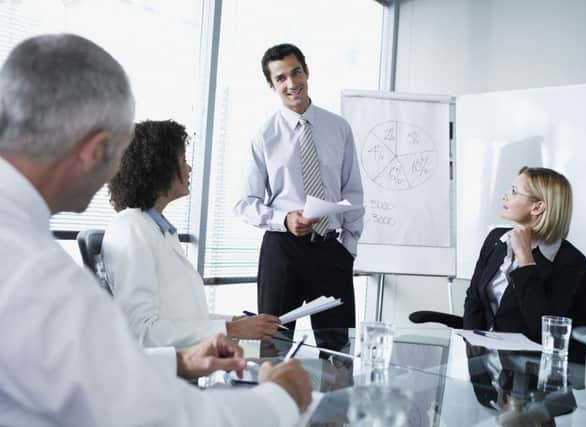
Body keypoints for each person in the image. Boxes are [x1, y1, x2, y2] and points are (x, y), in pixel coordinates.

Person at [0, 33, 311, 426]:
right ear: (94, 149)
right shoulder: (35, 275)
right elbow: (153, 414)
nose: (116, 169)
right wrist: (281, 398)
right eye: (117, 150)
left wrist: (179, 361)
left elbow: (94, 370)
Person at [102, 119, 280, 348]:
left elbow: (183, 319)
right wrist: (231, 330)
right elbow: (141, 332)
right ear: (160, 167)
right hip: (163, 376)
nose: (189, 168)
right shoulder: (130, 229)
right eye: (183, 160)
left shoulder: (155, 228)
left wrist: (235, 322)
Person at [233, 43, 364, 340]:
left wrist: (349, 248)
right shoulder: (264, 135)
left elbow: (353, 192)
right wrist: (284, 219)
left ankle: (335, 387)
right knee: (273, 346)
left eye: (296, 72)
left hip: (332, 251)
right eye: (281, 78)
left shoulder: (339, 128)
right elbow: (245, 203)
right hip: (283, 250)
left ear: (307, 71)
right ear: (271, 84)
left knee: (339, 352)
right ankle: (272, 388)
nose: (292, 84)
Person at [463, 166, 586, 363]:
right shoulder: (496, 240)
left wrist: (525, 259)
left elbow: (543, 329)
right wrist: (473, 344)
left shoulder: (569, 262)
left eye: (514, 192)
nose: (505, 196)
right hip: (483, 365)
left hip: (529, 372)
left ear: (537, 207)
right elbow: (473, 300)